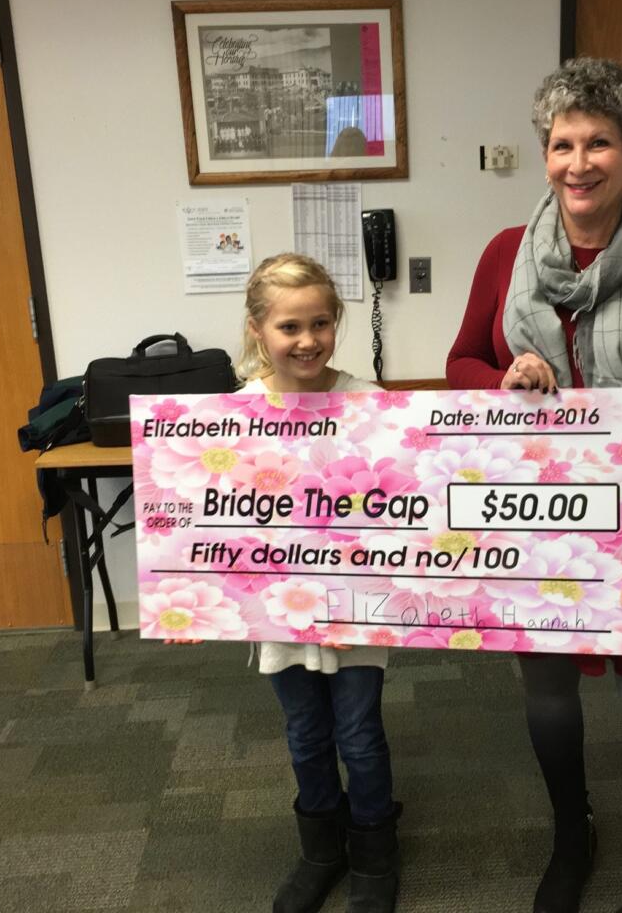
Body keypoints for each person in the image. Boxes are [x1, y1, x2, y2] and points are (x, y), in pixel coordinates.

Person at [446, 58, 622, 913]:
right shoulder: (505, 256)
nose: (579, 162)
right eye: (563, 143)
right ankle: (575, 830)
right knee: (549, 690)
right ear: (546, 154)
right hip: (538, 523)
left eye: (599, 142)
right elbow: (459, 362)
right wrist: (499, 381)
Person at [238, 253, 401, 913]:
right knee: (305, 733)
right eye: (289, 327)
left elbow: (406, 500)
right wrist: (184, 607)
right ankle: (322, 850)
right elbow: (207, 518)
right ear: (257, 330)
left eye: (322, 323)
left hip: (357, 605)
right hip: (279, 607)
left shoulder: (369, 404)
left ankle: (374, 853)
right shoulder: (232, 416)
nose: (307, 340)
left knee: (359, 734)